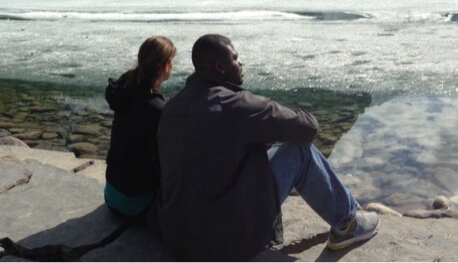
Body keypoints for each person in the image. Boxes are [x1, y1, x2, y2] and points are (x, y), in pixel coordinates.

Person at [157, 34, 378, 260]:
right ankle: (348, 223)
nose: (240, 63)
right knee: (298, 150)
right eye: (235, 58)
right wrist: (268, 121)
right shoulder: (236, 105)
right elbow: (307, 127)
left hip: (178, 238)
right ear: (220, 67)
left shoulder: (173, 107)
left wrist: (255, 139)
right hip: (224, 243)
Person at [103, 35, 176, 219]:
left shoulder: (125, 89)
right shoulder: (156, 108)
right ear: (167, 66)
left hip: (112, 196)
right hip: (137, 205)